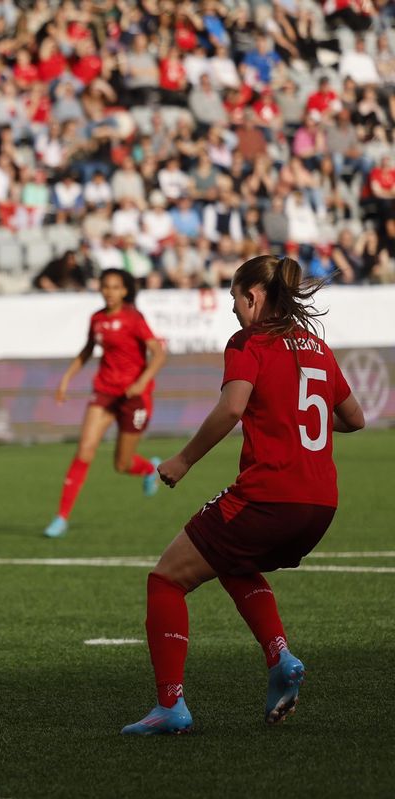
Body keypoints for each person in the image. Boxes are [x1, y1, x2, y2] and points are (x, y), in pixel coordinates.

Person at [122, 255, 365, 735]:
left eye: (234, 297)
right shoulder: (317, 347)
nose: (233, 308)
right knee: (230, 559)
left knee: (166, 580)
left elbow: (232, 407)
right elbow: (355, 418)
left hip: (268, 496)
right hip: (321, 504)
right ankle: (280, 658)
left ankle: (170, 706)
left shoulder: (248, 341)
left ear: (253, 295)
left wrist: (183, 460)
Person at [45, 269, 167, 538]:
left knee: (122, 464)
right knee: (84, 450)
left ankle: (149, 469)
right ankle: (61, 517)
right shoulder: (97, 319)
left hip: (134, 396)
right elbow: (88, 349)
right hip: (104, 392)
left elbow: (158, 353)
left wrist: (141, 382)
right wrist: (66, 379)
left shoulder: (134, 318)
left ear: (125, 291)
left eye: (115, 287)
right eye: (105, 286)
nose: (109, 291)